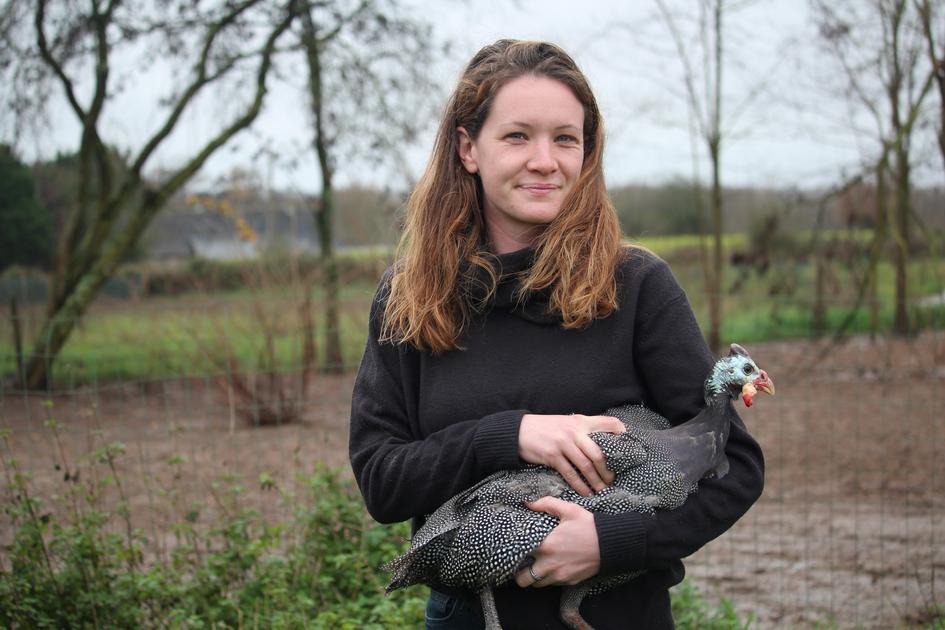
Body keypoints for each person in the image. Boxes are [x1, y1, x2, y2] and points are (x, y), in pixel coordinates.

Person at [348, 39, 764, 629]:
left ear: (586, 151)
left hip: (617, 616)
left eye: (565, 138)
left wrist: (613, 541)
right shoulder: (410, 298)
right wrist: (508, 436)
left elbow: (734, 466)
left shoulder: (637, 285)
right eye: (518, 136)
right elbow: (382, 482)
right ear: (468, 147)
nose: (545, 160)